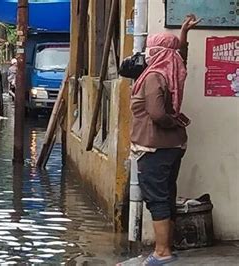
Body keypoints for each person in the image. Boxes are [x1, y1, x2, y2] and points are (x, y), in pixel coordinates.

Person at [130, 15, 200, 265]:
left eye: (150, 49)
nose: (147, 54)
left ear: (156, 51)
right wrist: (184, 34)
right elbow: (180, 55)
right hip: (173, 146)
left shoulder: (153, 77)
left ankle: (162, 252)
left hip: (153, 147)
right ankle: (167, 247)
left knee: (156, 198)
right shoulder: (174, 70)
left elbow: (157, 114)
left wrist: (173, 119)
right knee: (167, 195)